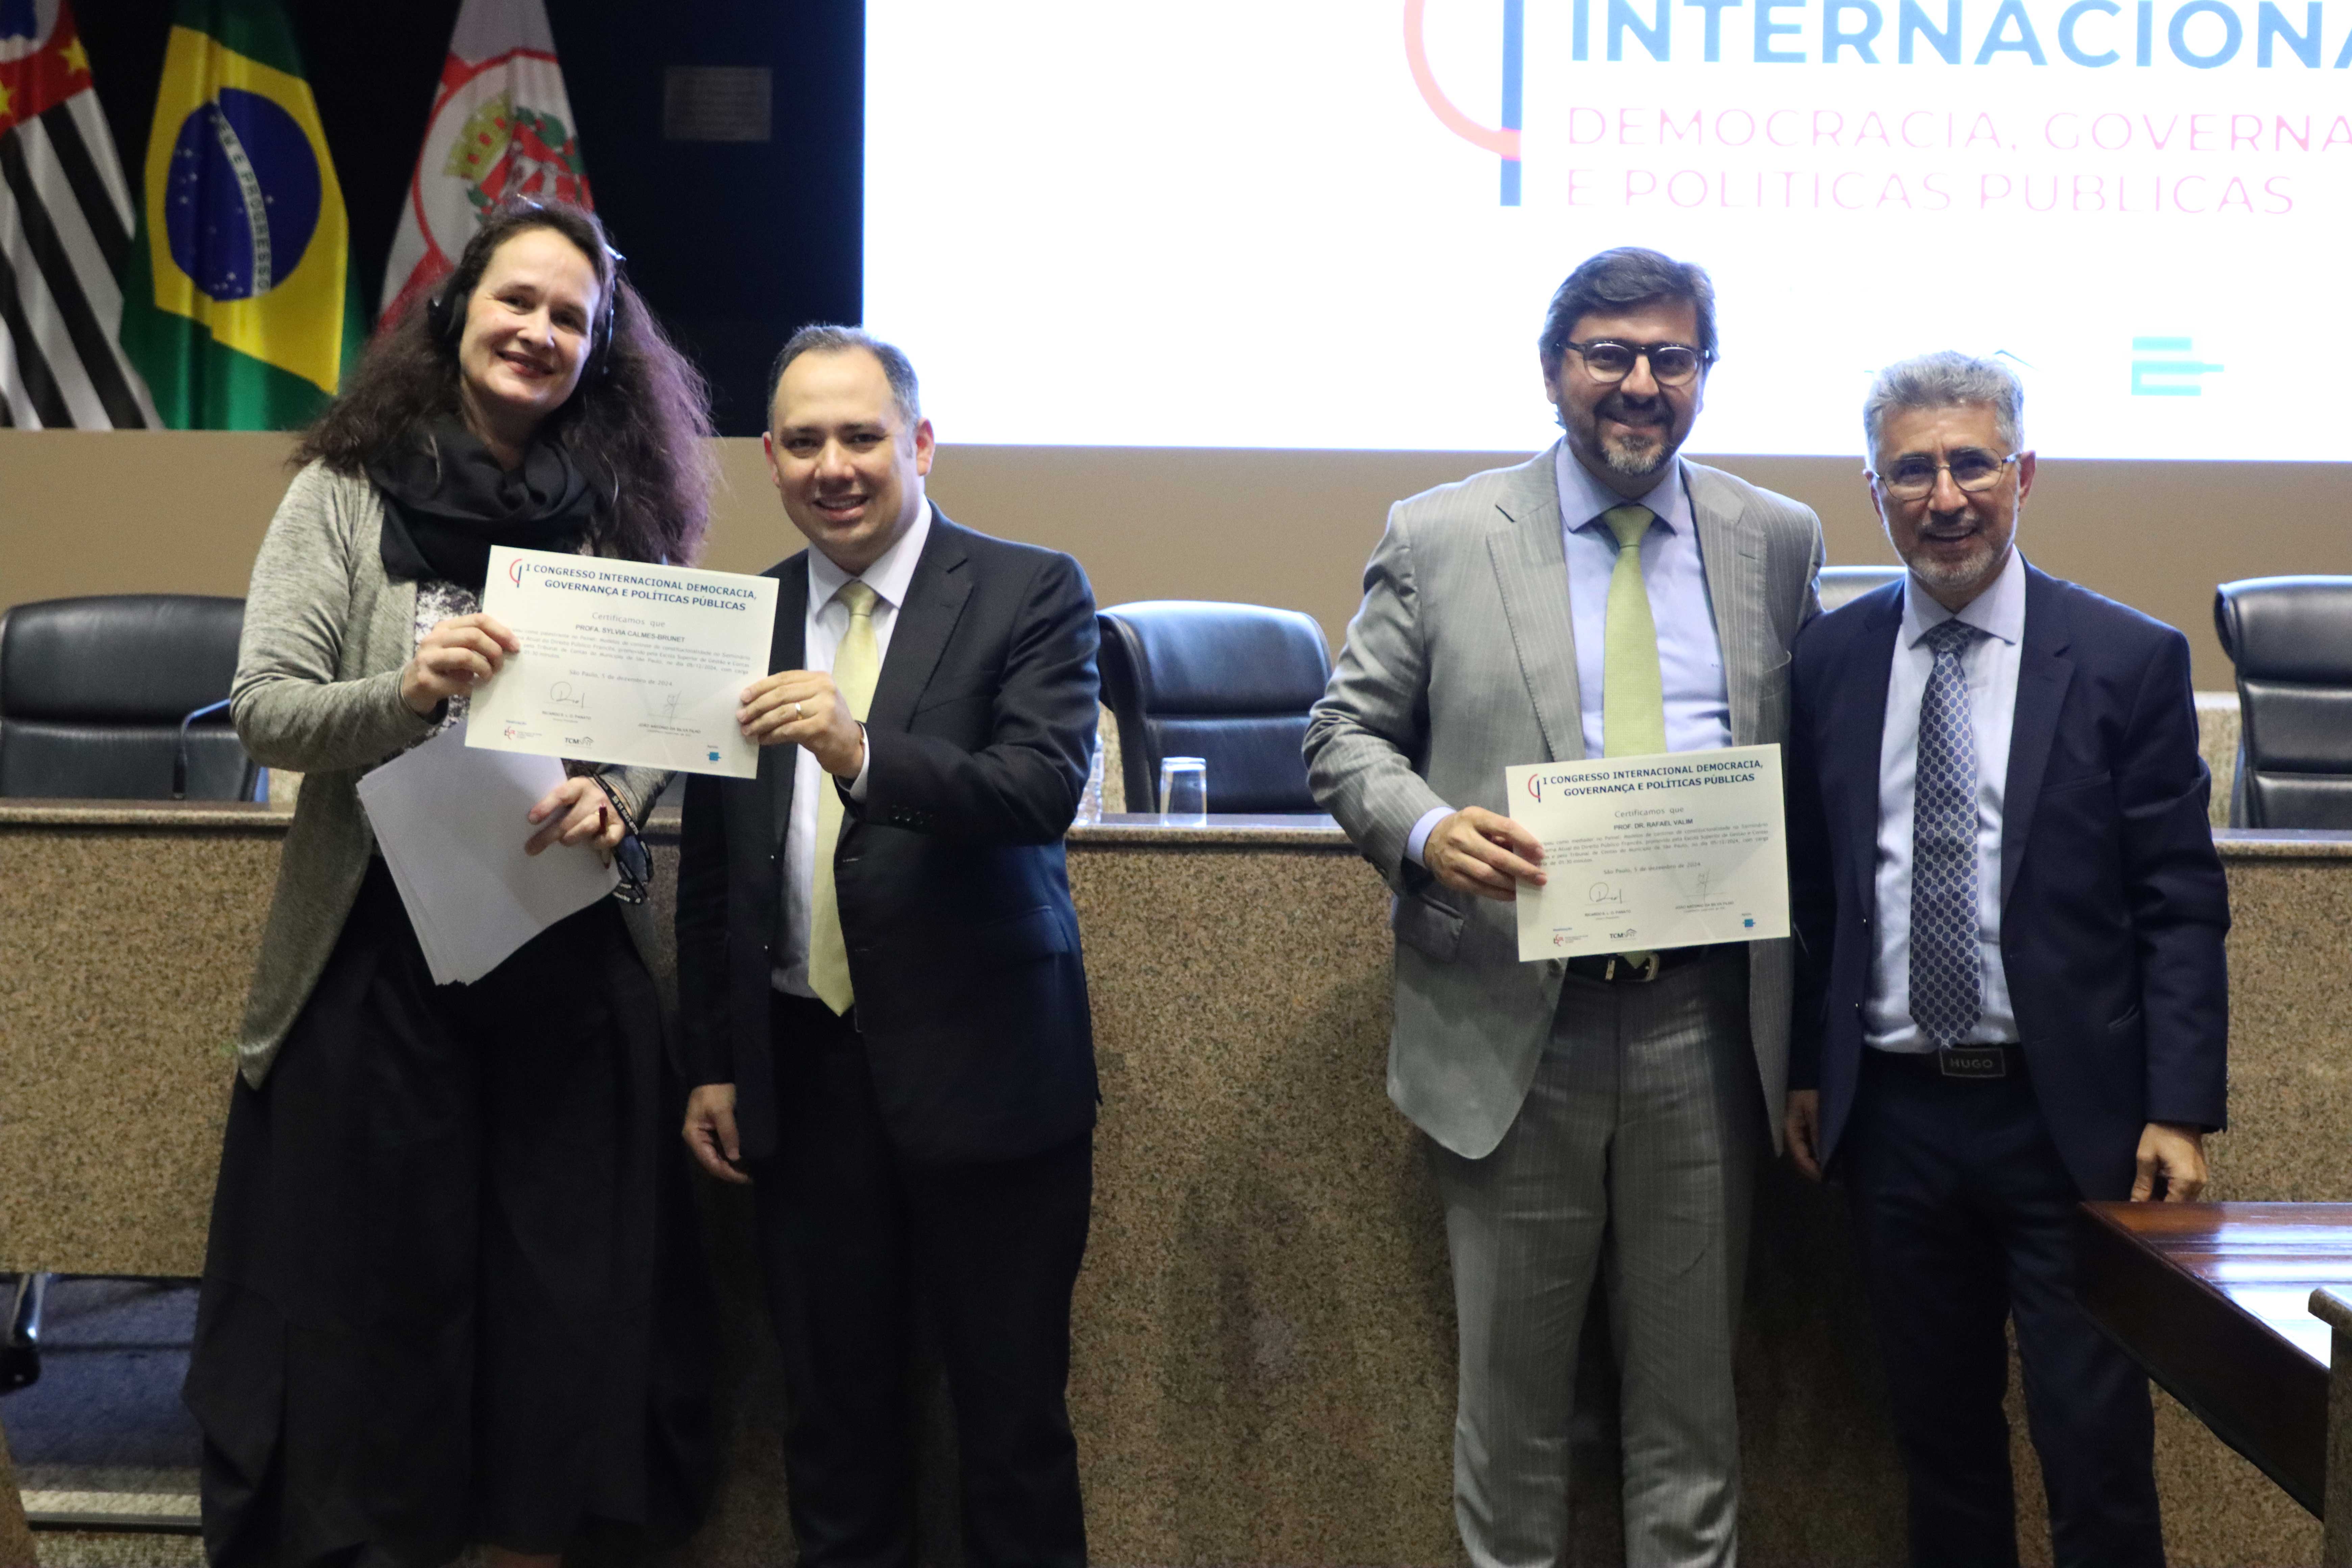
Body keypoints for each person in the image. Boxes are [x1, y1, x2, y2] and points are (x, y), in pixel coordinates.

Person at [185, 200, 717, 1568]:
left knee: (561, 1307)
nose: (539, 331)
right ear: (457, 309)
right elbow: (265, 710)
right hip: (374, 972)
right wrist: (406, 691)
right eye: (517, 301)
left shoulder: (623, 510)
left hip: (561, 958)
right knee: (380, 1308)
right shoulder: (343, 491)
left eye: (570, 319)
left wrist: (619, 797)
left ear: (598, 352)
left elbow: (656, 731)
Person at [1304, 247, 1824, 1567]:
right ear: (1553, 371)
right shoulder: (1442, 532)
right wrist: (1427, 829)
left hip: (1705, 1030)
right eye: (1609, 354)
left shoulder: (1776, 538)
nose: (1641, 383)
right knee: (1514, 1426)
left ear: (1704, 374)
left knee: (1693, 1425)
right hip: (1511, 1024)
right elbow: (1342, 735)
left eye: (1672, 357)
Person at [1783, 351, 2228, 1568]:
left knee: (2096, 1449)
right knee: (1940, 1448)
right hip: (1895, 1124)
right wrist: (1809, 1067)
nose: (1945, 497)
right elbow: (1815, 892)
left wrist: (2180, 1108)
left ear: (2023, 474)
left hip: (2069, 1124)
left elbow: (2179, 901)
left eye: (1972, 464)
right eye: (1911, 471)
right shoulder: (1829, 662)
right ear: (1873, 490)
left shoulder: (2127, 658)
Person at [675, 326, 1100, 1567]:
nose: (835, 467)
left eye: (862, 436)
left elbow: (1039, 790)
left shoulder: (1031, 589)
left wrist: (857, 750)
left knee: (1010, 1437)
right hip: (804, 1078)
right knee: (834, 1433)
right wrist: (715, 1059)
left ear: (919, 443)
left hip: (990, 1077)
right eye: (804, 442)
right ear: (769, 458)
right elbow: (719, 869)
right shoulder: (745, 616)